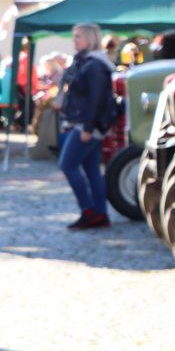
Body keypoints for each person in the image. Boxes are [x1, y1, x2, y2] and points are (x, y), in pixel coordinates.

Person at [58, 22, 116, 229]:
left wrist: (88, 128)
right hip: (83, 123)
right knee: (91, 169)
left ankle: (89, 210)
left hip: (89, 126)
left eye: (78, 37)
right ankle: (100, 214)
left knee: (67, 165)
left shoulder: (95, 65)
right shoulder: (86, 62)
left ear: (90, 39)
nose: (74, 41)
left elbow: (97, 99)